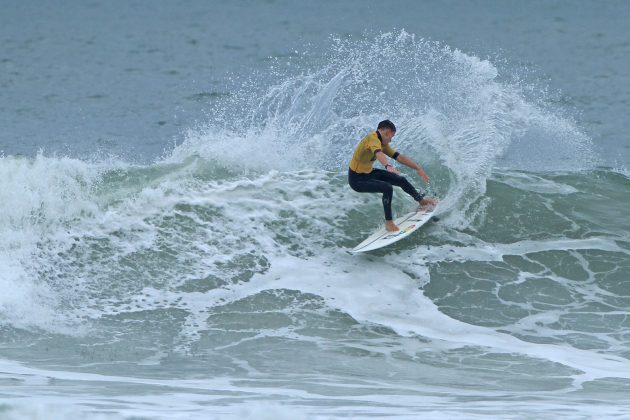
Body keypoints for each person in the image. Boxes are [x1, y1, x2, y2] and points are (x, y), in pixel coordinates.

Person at [348, 120, 438, 232]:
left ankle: (421, 201)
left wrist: (418, 168)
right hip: (357, 179)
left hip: (369, 173)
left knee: (400, 179)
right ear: (387, 132)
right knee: (387, 188)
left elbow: (399, 157)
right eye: (392, 136)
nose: (391, 139)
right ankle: (389, 223)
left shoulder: (382, 143)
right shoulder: (372, 139)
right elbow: (378, 153)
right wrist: (388, 166)